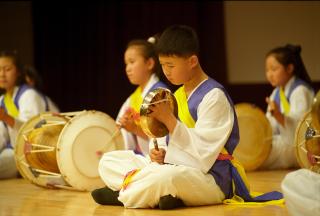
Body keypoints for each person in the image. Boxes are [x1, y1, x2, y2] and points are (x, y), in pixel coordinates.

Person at [91, 25, 282, 209]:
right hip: (176, 166)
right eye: (163, 65)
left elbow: (204, 154)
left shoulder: (214, 96)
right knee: (109, 161)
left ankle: (122, 195)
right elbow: (166, 143)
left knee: (165, 178)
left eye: (171, 65)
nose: (166, 71)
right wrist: (158, 154)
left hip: (211, 176)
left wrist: (170, 121)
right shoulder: (177, 95)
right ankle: (162, 196)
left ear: (192, 61)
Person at [260, 44, 314, 169]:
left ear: (289, 68)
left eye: (274, 69)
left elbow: (303, 129)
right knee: (258, 146)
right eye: (267, 70)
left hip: (302, 147)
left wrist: (279, 116)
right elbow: (270, 125)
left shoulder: (300, 90)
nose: (269, 74)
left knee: (262, 154)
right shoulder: (276, 93)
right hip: (284, 140)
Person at [116, 38, 169, 156]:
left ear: (149, 63)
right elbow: (119, 129)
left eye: (132, 62)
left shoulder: (160, 94)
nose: (127, 68)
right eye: (126, 64)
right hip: (141, 156)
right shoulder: (133, 98)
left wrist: (135, 129)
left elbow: (165, 137)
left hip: (159, 157)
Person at [0, 51, 48, 179]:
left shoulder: (29, 95)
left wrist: (5, 117)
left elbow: (33, 132)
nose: (2, 74)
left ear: (18, 72)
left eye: (7, 69)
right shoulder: (2, 100)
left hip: (29, 154)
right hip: (12, 151)